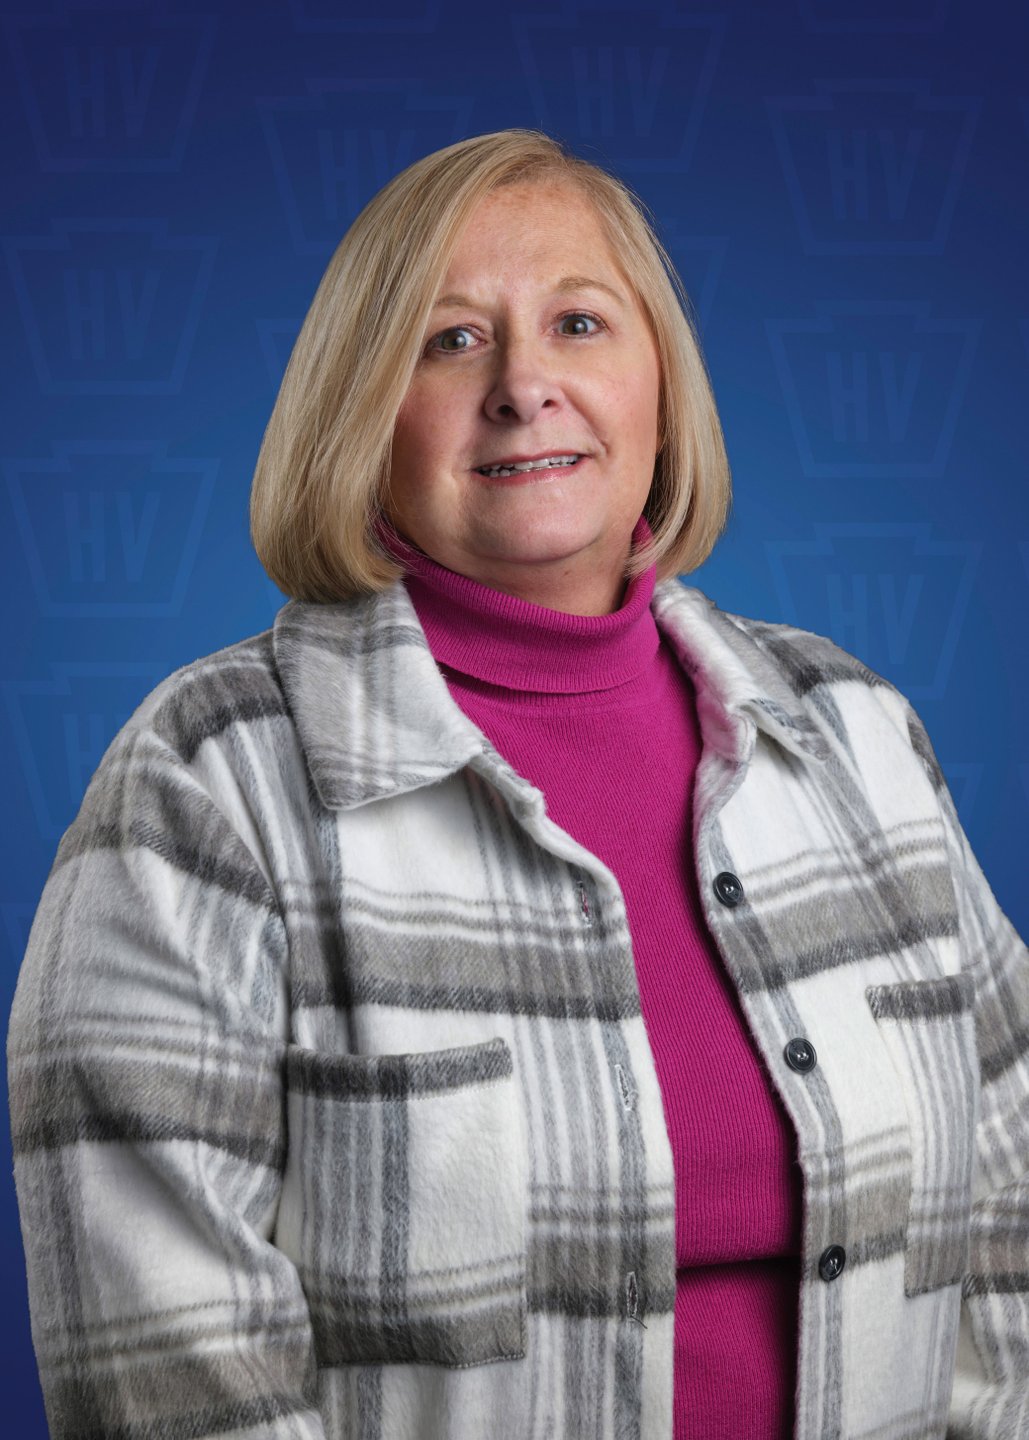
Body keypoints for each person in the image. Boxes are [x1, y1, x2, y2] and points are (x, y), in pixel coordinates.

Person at [7, 128, 1027, 1440]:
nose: (523, 385)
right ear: (360, 413)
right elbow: (163, 1364)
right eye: (450, 341)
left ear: (660, 383)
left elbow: (1008, 1191)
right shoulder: (209, 786)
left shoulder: (853, 733)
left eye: (580, 322)